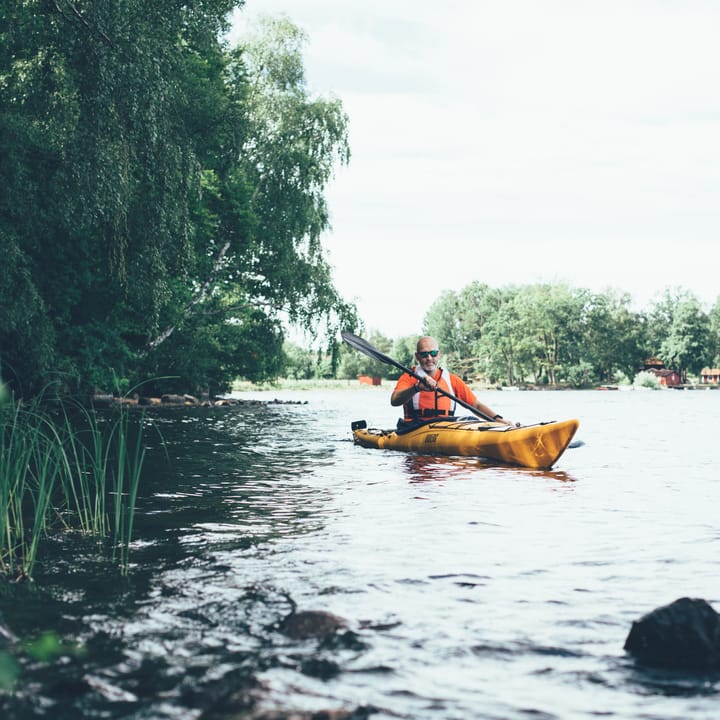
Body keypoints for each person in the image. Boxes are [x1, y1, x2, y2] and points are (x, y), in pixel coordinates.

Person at [391, 336, 512, 425]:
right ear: (417, 356)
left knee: (469, 420)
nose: (429, 358)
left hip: (445, 428)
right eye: (424, 355)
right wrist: (416, 388)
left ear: (439, 354)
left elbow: (476, 406)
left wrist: (498, 420)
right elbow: (394, 400)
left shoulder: (451, 380)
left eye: (433, 353)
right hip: (415, 429)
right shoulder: (409, 377)